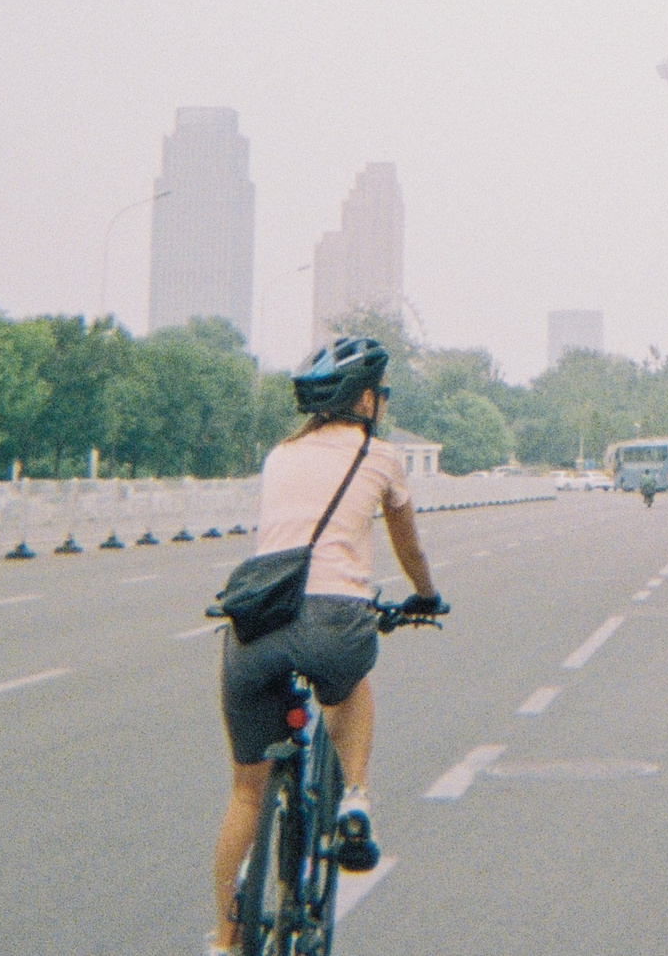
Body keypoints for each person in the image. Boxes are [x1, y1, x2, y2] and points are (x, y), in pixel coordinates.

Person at [208, 337, 443, 956]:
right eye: (381, 393)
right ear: (363, 399)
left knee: (244, 791)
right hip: (335, 618)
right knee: (348, 690)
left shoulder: (280, 455)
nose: (383, 403)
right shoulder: (380, 455)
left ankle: (225, 941)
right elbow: (408, 547)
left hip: (256, 620)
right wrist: (425, 594)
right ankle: (356, 802)